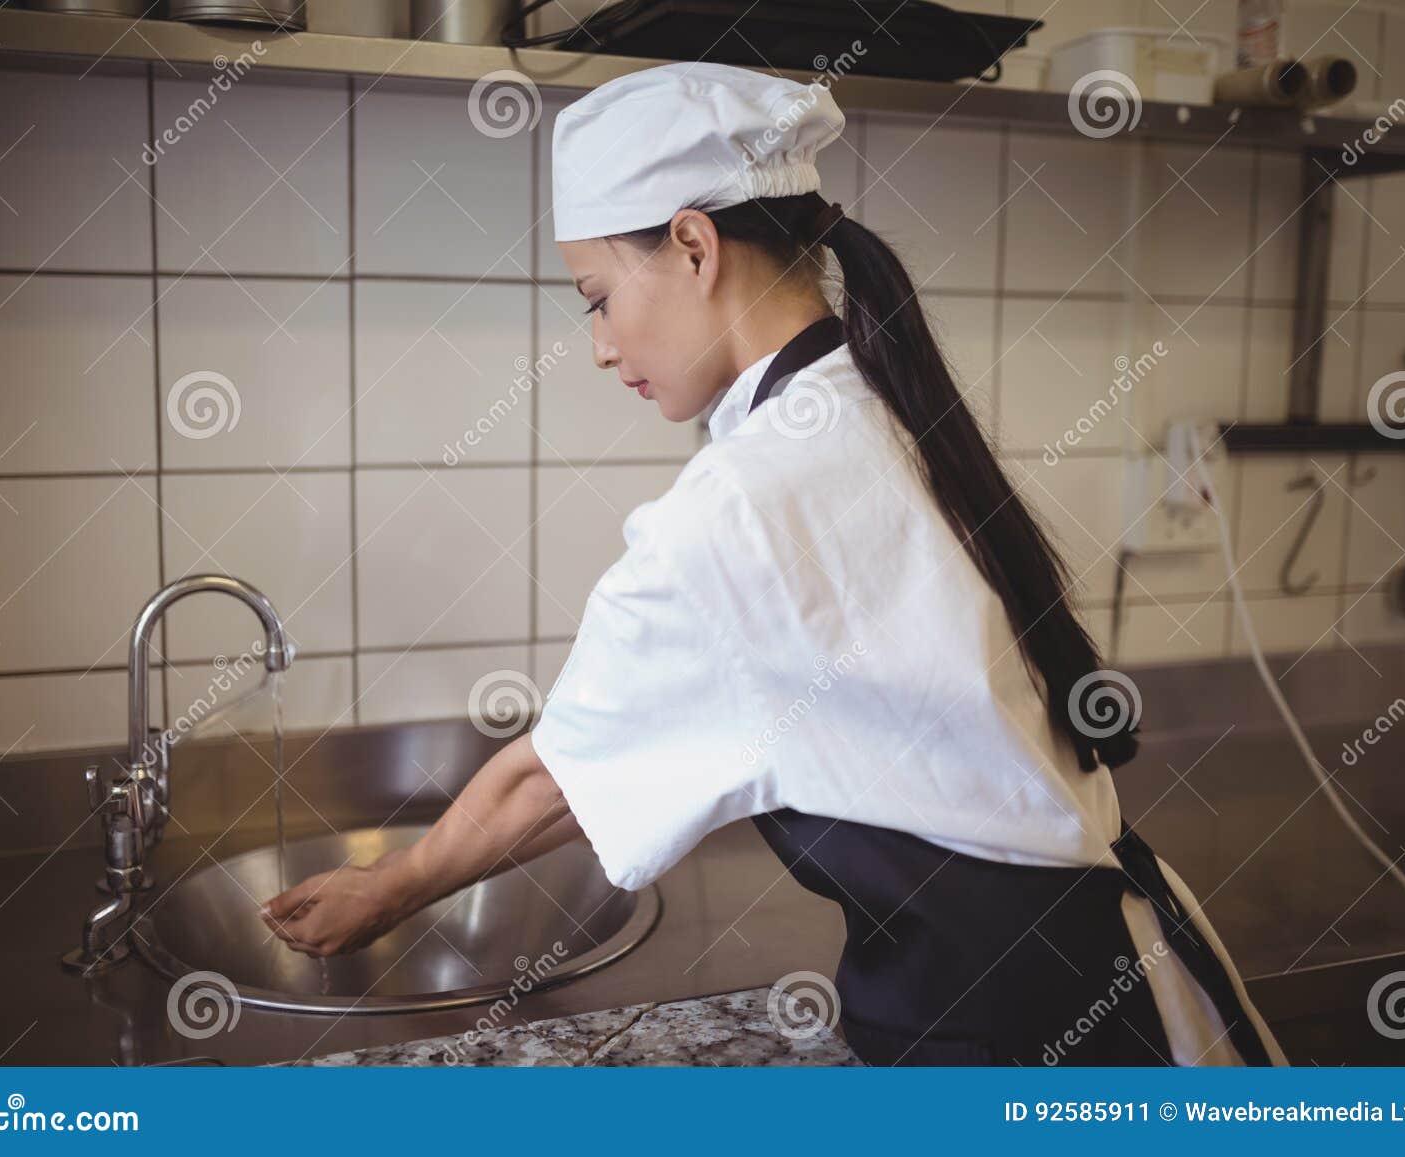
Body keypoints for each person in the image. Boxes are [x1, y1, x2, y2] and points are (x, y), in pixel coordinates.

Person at [261, 61, 1286, 1067]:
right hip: (1084, 968)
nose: (600, 345)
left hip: (1011, 1031)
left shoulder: (740, 502)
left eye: (596, 295)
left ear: (694, 245)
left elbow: (555, 780)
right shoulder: (874, 401)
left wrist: (389, 886)